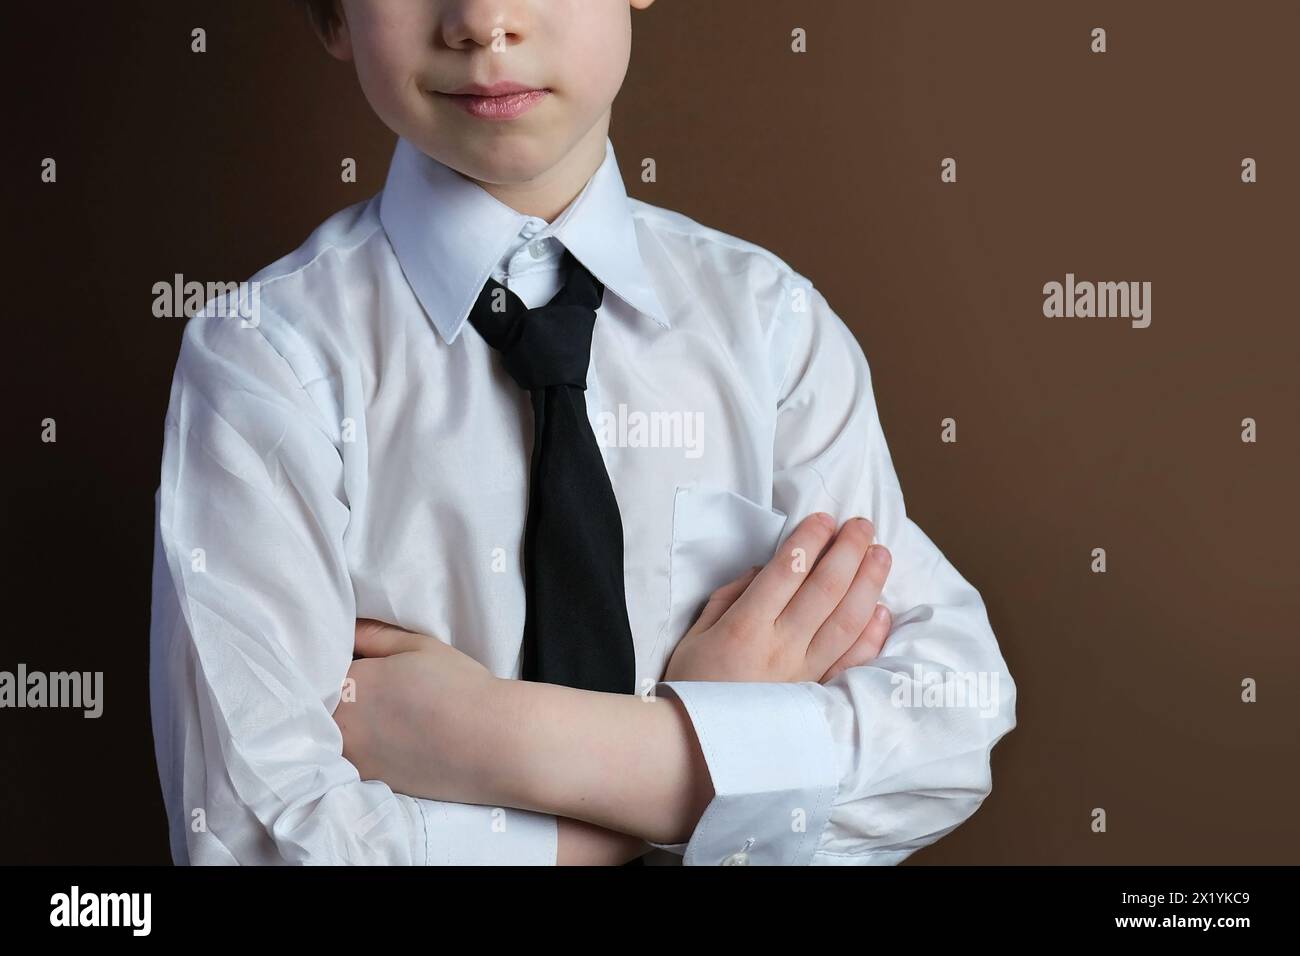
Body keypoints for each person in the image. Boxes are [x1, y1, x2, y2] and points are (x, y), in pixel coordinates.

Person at [148, 0, 1016, 866]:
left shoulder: (770, 329)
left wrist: (496, 737)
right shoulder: (266, 361)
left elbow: (944, 730)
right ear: (332, 16)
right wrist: (699, 771)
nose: (483, 23)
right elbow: (253, 838)